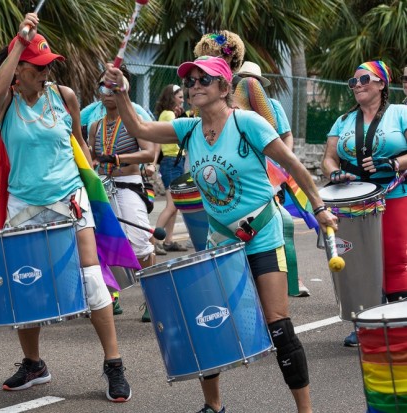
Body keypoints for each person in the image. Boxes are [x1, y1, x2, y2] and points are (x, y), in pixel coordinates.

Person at [104, 56, 337, 413]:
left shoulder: (247, 123)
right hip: (221, 241)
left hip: (262, 235)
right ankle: (213, 406)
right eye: (190, 81)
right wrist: (122, 91)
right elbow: (139, 127)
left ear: (225, 87)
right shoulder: (188, 129)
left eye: (204, 80)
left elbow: (291, 164)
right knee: (207, 320)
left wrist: (319, 208)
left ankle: (305, 410)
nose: (194, 86)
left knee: (279, 327)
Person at [0, 13, 131, 402]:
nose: (45, 73)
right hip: (22, 203)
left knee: (92, 280)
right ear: (19, 69)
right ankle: (33, 364)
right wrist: (20, 40)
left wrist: (93, 180)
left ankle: (114, 364)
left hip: (69, 196)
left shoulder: (64, 96)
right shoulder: (6, 102)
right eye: (38, 68)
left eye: (49, 66)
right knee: (26, 285)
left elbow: (79, 142)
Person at [322, 60, 407, 347]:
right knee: (357, 261)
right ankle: (365, 324)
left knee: (394, 259)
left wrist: (394, 163)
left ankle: (399, 322)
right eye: (353, 82)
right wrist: (334, 172)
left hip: (393, 194)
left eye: (364, 80)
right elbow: (328, 157)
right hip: (353, 201)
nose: (357, 85)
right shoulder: (343, 120)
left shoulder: (400, 113)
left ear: (382, 83)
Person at [234, 62, 310, 297]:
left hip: (271, 175)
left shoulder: (273, 106)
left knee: (281, 225)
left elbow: (286, 136)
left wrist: (283, 163)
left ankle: (293, 278)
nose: (248, 84)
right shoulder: (232, 110)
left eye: (252, 80)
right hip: (243, 178)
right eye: (243, 79)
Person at [87, 66, 156, 318]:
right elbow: (91, 158)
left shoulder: (134, 122)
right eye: (103, 87)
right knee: (106, 243)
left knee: (139, 243)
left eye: (112, 87)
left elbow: (149, 153)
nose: (107, 93)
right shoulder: (95, 126)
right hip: (103, 188)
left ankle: (152, 298)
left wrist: (118, 158)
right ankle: (111, 296)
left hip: (128, 184)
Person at [152, 84, 189, 256]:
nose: (182, 100)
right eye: (180, 97)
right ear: (172, 97)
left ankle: (168, 241)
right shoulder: (168, 114)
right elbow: (180, 135)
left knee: (175, 205)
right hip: (172, 161)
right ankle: (154, 241)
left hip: (175, 161)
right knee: (172, 205)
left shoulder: (167, 114)